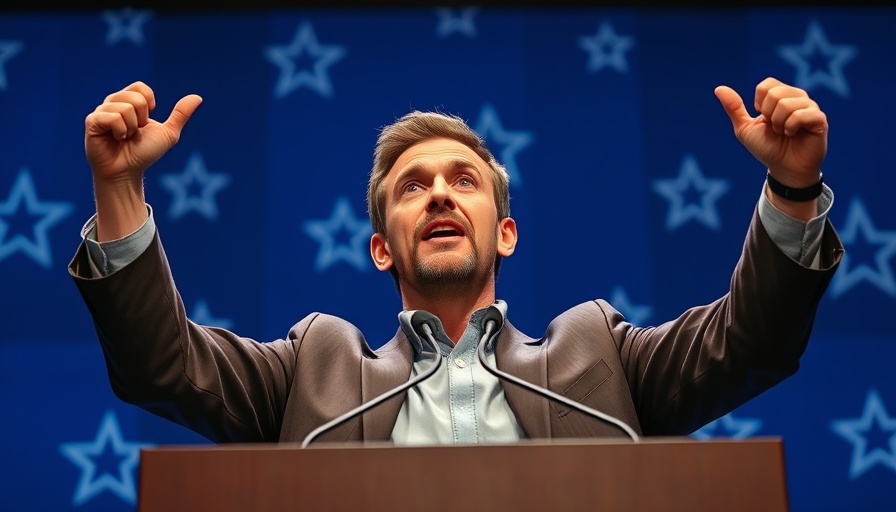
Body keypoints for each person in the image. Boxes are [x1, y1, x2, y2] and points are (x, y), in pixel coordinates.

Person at [69, 77, 843, 445]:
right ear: (381, 247)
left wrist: (792, 185)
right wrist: (119, 188)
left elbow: (753, 343)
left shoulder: (599, 354)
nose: (439, 195)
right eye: (413, 187)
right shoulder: (313, 371)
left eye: (462, 181)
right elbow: (161, 366)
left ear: (504, 232)